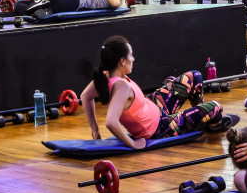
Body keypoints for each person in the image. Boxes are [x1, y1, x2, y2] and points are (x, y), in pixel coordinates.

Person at [80, 36, 235, 149]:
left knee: (195, 76)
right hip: (159, 128)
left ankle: (200, 120)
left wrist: (95, 132)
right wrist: (133, 144)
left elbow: (85, 97)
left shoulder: (105, 76)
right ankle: (209, 122)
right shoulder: (121, 87)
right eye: (131, 55)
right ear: (122, 61)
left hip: (154, 106)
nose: (133, 59)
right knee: (215, 107)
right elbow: (110, 122)